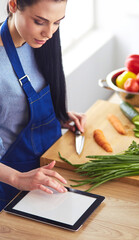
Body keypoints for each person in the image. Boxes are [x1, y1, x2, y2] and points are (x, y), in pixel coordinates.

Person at [0, 0, 86, 210]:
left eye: (57, 22)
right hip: (9, 184)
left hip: (47, 171)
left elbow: (17, 104)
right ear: (13, 5)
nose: (49, 32)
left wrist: (57, 115)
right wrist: (18, 178)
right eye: (40, 21)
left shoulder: (37, 41)